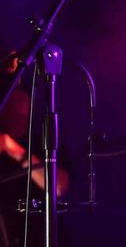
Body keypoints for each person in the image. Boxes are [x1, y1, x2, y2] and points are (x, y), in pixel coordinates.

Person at [0, 50, 70, 247]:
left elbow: (59, 186)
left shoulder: (42, 142)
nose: (22, 104)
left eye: (21, 98)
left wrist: (12, 148)